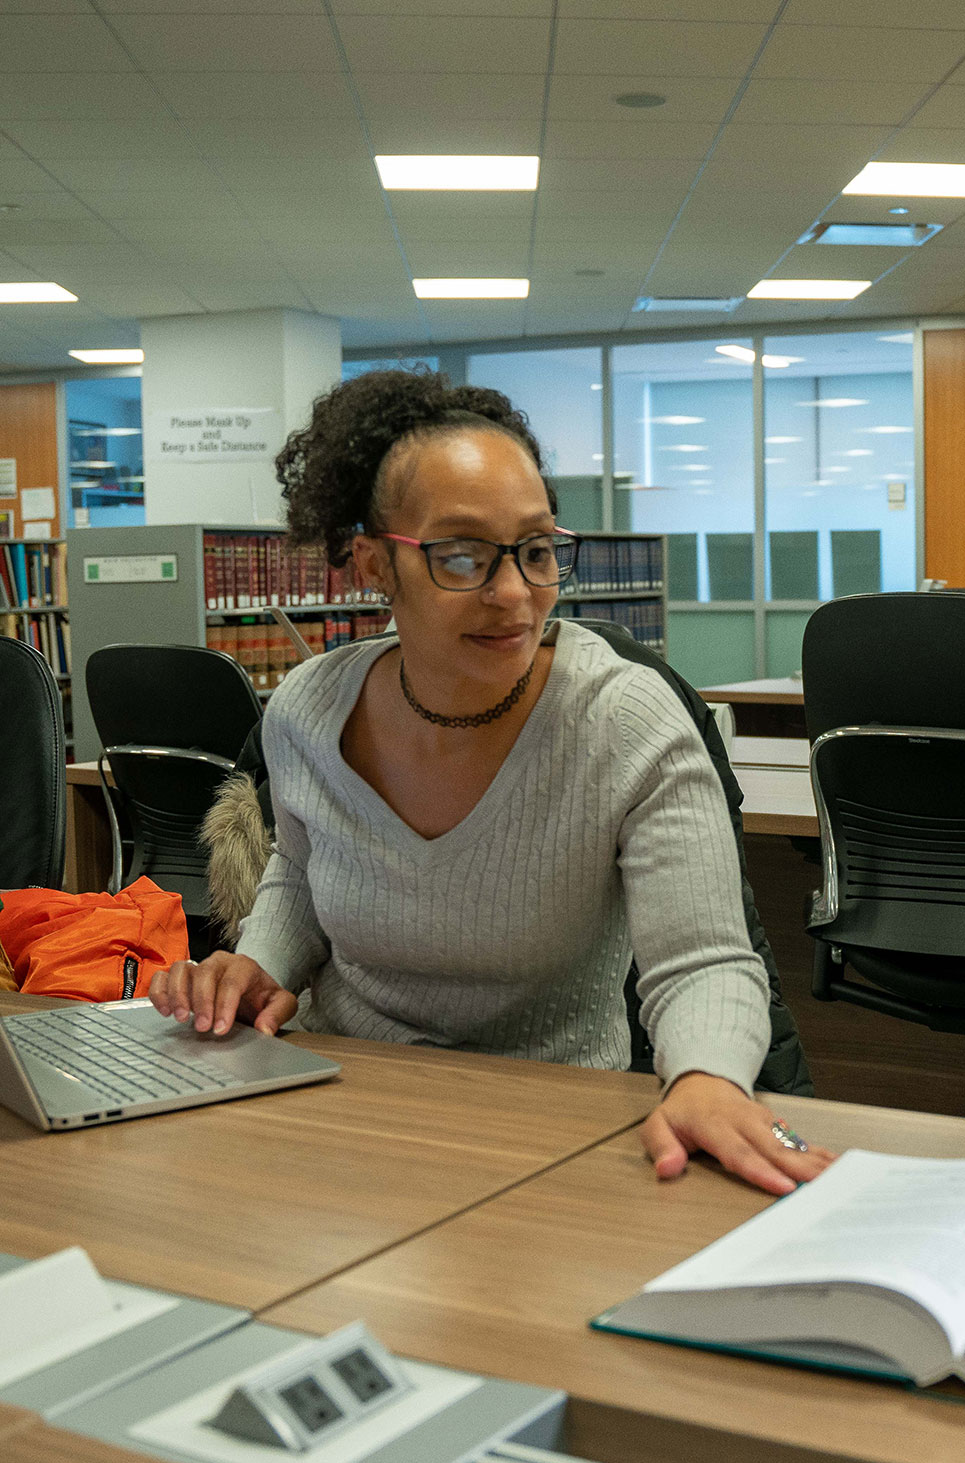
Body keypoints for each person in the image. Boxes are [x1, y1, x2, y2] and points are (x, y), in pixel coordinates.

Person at [148, 369, 830, 1197]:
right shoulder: (305, 709)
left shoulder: (624, 719)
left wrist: (707, 1078)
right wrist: (260, 963)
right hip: (341, 1103)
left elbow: (705, 959)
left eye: (537, 551)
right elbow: (300, 871)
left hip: (553, 1127)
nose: (514, 595)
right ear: (373, 563)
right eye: (462, 555)